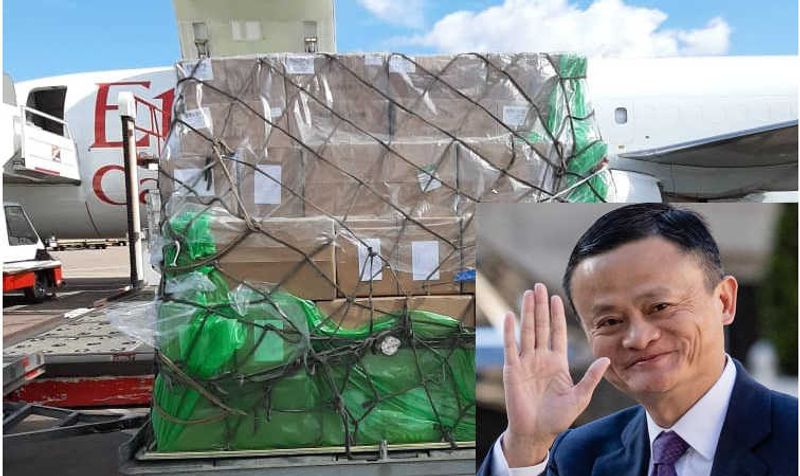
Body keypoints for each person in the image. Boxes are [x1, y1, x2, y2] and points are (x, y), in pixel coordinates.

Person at [477, 203, 797, 476]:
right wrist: (527, 444)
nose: (639, 338)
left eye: (660, 307)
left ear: (724, 301)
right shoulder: (578, 456)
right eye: (610, 322)